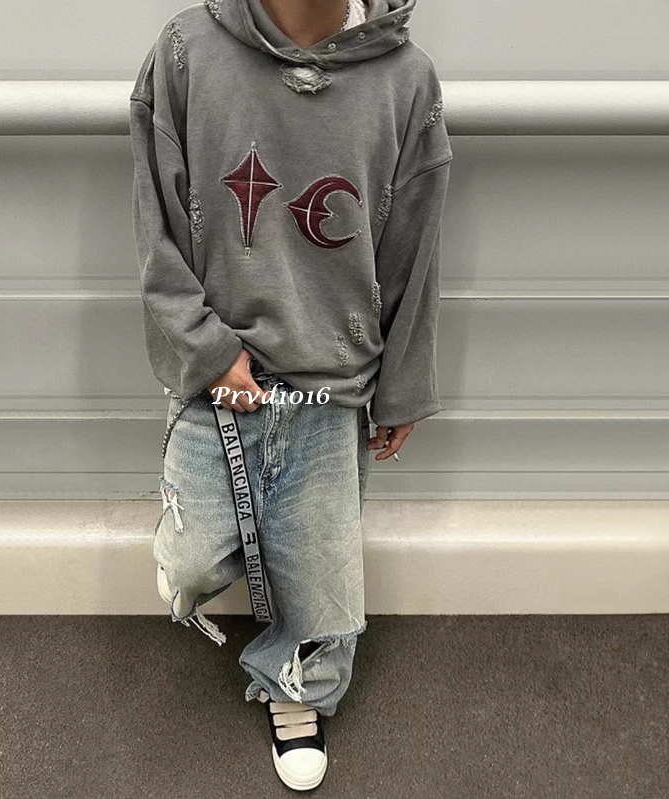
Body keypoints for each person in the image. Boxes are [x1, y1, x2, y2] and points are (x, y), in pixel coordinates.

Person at [129, 0, 452, 790]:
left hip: (331, 385)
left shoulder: (405, 81)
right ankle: (220, 547)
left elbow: (414, 246)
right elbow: (155, 224)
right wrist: (205, 350)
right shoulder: (186, 52)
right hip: (220, 377)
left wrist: (402, 385)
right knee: (189, 562)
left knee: (321, 582)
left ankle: (296, 686)